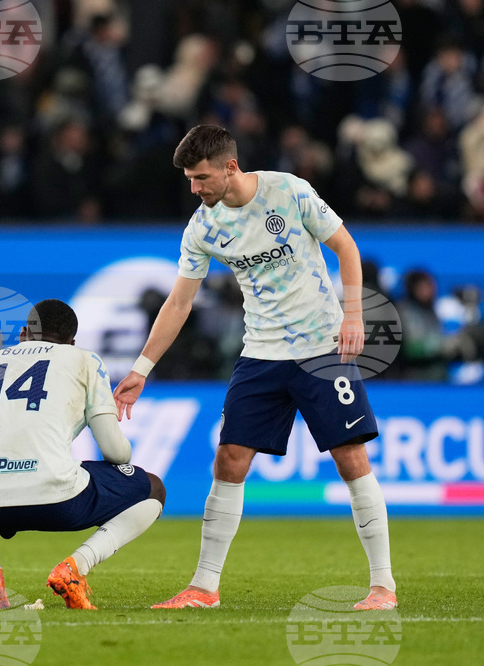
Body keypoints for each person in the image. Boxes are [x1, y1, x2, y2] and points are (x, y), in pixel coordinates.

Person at [114, 125, 396, 611]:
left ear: (230, 167)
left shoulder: (289, 191)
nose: (194, 188)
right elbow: (179, 303)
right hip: (261, 353)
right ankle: (204, 588)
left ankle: (382, 586)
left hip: (321, 348)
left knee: (351, 459)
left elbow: (346, 247)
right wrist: (142, 367)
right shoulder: (202, 226)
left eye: (201, 177)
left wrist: (353, 314)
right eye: (189, 179)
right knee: (228, 460)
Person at [0, 299, 166, 610]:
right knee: (153, 488)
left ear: (23, 333)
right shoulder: (83, 358)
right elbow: (114, 451)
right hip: (57, 501)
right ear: (72, 342)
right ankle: (75, 567)